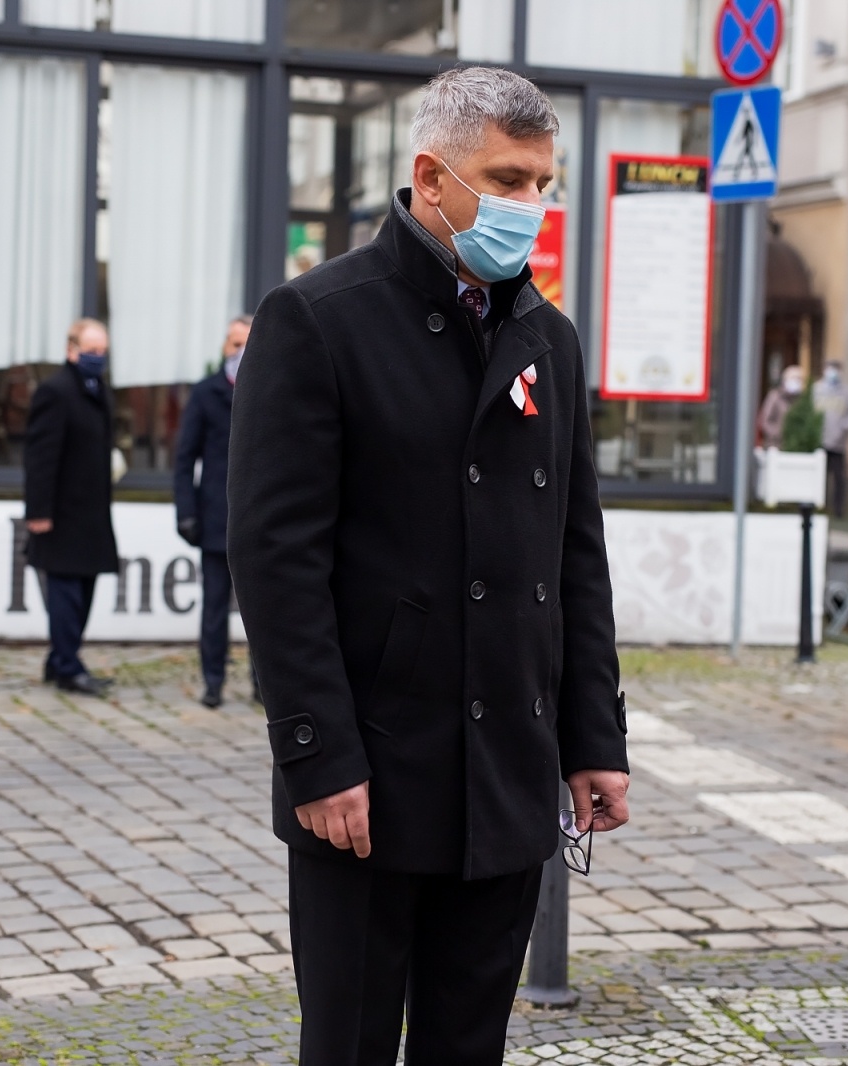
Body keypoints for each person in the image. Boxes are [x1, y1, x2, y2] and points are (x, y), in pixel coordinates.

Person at [228, 66, 630, 1065]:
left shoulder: (551, 339)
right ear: (430, 178)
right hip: (367, 784)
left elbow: (573, 553)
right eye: (506, 177)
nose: (529, 205)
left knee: (468, 1047)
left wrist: (591, 737)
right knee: (352, 1044)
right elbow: (276, 561)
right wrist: (317, 757)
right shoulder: (317, 320)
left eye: (542, 181)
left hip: (505, 782)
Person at [23, 318, 120, 696]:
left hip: (92, 513)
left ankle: (61, 657)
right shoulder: (56, 391)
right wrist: (38, 512)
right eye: (90, 351)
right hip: (61, 515)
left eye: (102, 351)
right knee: (65, 594)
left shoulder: (98, 390)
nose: (97, 358)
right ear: (71, 350)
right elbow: (40, 457)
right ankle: (67, 666)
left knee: (86, 589)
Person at [173, 314, 254, 708]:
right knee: (214, 609)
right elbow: (185, 457)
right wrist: (185, 512)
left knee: (267, 611)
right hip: (215, 520)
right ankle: (213, 682)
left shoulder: (274, 389)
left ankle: (263, 685)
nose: (238, 352)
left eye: (245, 344)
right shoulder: (206, 393)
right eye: (232, 344)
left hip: (261, 522)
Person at [813, 360, 848, 518]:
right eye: (830, 369)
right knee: (819, 476)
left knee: (839, 478)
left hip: (838, 443)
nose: (833, 372)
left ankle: (838, 509)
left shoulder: (846, 392)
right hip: (820, 441)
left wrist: (843, 428)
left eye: (836, 369)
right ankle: (819, 506)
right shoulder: (817, 389)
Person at [758, 364, 804, 449]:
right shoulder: (775, 396)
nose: (797, 381)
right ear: (785, 379)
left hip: (795, 447)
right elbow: (765, 421)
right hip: (775, 446)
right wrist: (780, 433)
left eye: (799, 379)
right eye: (794, 378)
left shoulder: (802, 400)